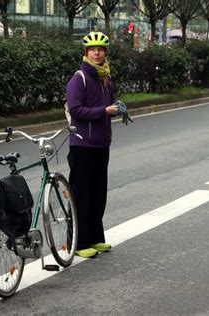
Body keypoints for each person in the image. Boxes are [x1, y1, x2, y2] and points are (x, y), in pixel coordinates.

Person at [66, 31, 118, 258]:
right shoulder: (80, 78)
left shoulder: (106, 78)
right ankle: (78, 243)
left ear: (105, 52)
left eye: (100, 49)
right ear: (86, 52)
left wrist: (117, 108)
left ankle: (96, 239)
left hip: (101, 145)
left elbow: (110, 104)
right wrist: (103, 111)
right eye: (92, 49)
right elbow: (75, 110)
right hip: (82, 145)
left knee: (98, 195)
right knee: (82, 195)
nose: (97, 53)